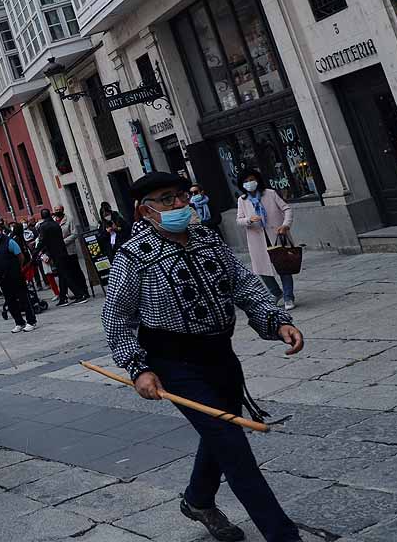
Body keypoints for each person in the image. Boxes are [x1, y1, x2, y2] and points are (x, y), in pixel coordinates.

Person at [103, 171, 306, 542]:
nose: (179, 204)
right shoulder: (133, 256)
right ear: (145, 211)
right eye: (167, 199)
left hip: (221, 356)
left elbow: (243, 283)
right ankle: (284, 536)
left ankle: (198, 499)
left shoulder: (208, 238)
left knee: (221, 430)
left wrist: (276, 322)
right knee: (233, 447)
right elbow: (116, 315)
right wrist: (138, 368)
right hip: (174, 363)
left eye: (181, 195)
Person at [236, 169, 296, 310]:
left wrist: (285, 225)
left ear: (257, 180)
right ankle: (276, 293)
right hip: (257, 239)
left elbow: (286, 209)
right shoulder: (242, 200)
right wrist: (248, 220)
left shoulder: (270, 194)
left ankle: (289, 296)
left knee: (284, 267)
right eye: (245, 182)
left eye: (251, 180)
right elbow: (238, 220)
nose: (249, 183)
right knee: (262, 270)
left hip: (277, 235)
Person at [0, 224, 37, 332]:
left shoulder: (9, 241)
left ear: (1, 231)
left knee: (23, 298)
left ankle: (31, 321)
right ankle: (19, 322)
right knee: (10, 301)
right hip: (2, 277)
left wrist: (16, 269)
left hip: (15, 275)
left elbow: (20, 256)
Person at [37, 208, 89, 305]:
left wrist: (38, 251)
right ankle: (63, 297)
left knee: (67, 274)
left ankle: (80, 294)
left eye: (58, 209)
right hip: (62, 251)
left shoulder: (46, 225)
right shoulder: (55, 223)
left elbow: (43, 241)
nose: (57, 211)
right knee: (62, 275)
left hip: (62, 251)